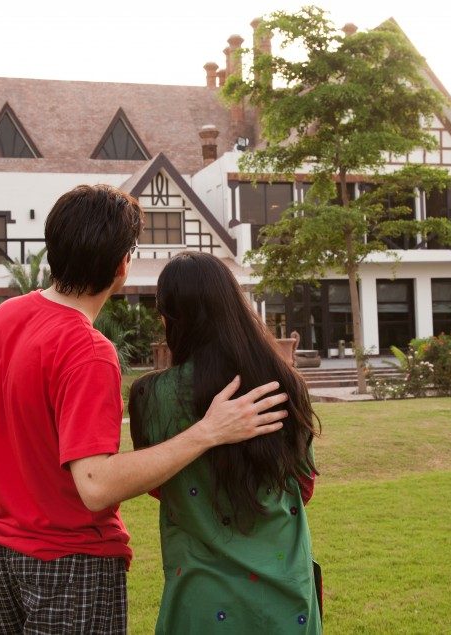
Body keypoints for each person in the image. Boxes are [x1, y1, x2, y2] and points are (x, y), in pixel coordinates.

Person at [0, 185, 289, 634]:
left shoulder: (4, 317)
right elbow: (96, 485)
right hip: (71, 567)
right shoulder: (88, 350)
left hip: (1, 557)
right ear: (123, 264)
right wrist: (209, 431)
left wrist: (13, 498)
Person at [129, 251, 322, 634]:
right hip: (286, 595)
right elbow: (306, 484)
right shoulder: (284, 384)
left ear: (170, 317)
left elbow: (155, 482)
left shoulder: (151, 396)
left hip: (199, 598)